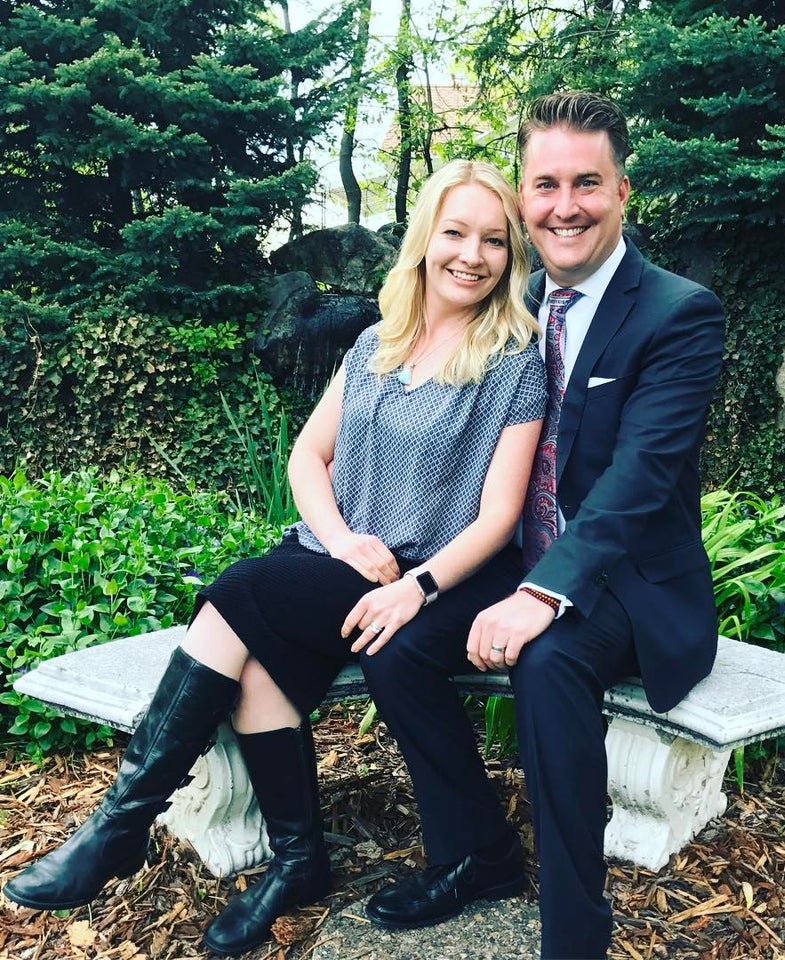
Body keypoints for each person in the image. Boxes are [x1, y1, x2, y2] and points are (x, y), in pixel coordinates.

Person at [2, 160, 546, 957]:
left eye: (494, 241)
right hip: (343, 560)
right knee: (254, 657)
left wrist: (417, 588)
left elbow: (499, 517)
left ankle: (124, 825)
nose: (473, 255)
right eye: (455, 232)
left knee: (241, 590)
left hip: (434, 570)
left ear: (510, 256)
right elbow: (306, 458)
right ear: (424, 240)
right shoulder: (375, 344)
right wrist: (342, 539)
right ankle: (294, 861)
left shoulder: (513, 360)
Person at [359, 91, 726, 959]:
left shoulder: (678, 312)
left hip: (626, 583)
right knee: (396, 645)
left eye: (586, 183)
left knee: (549, 662)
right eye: (546, 185)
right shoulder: (507, 298)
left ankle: (572, 933)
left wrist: (543, 593)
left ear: (623, 191)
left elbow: (639, 481)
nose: (566, 206)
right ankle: (476, 853)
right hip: (513, 561)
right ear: (523, 197)